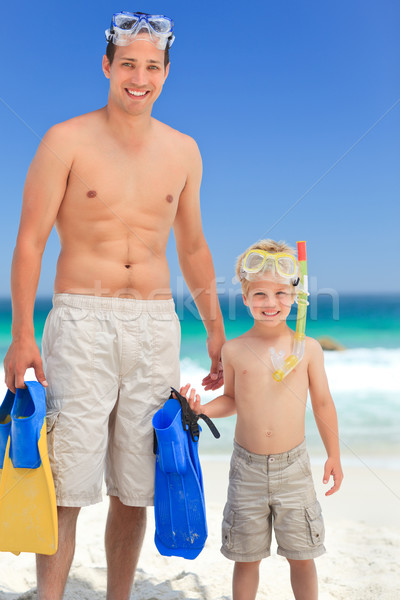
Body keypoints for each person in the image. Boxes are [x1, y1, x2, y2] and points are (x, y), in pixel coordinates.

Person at [3, 11, 225, 600]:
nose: (139, 77)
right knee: (68, 482)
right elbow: (30, 241)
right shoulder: (65, 140)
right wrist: (22, 333)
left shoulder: (184, 151)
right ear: (107, 66)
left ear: (166, 74)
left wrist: (217, 333)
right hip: (80, 319)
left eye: (152, 66)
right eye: (128, 63)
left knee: (137, 485)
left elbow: (194, 246)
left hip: (154, 325)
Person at [181, 238, 343, 600]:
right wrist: (204, 409)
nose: (271, 303)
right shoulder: (234, 349)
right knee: (246, 557)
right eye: (260, 295)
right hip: (247, 468)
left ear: (296, 297)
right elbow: (232, 400)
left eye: (281, 294)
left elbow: (322, 404)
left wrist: (334, 453)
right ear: (245, 298)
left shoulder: (309, 350)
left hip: (294, 467)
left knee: (302, 555)